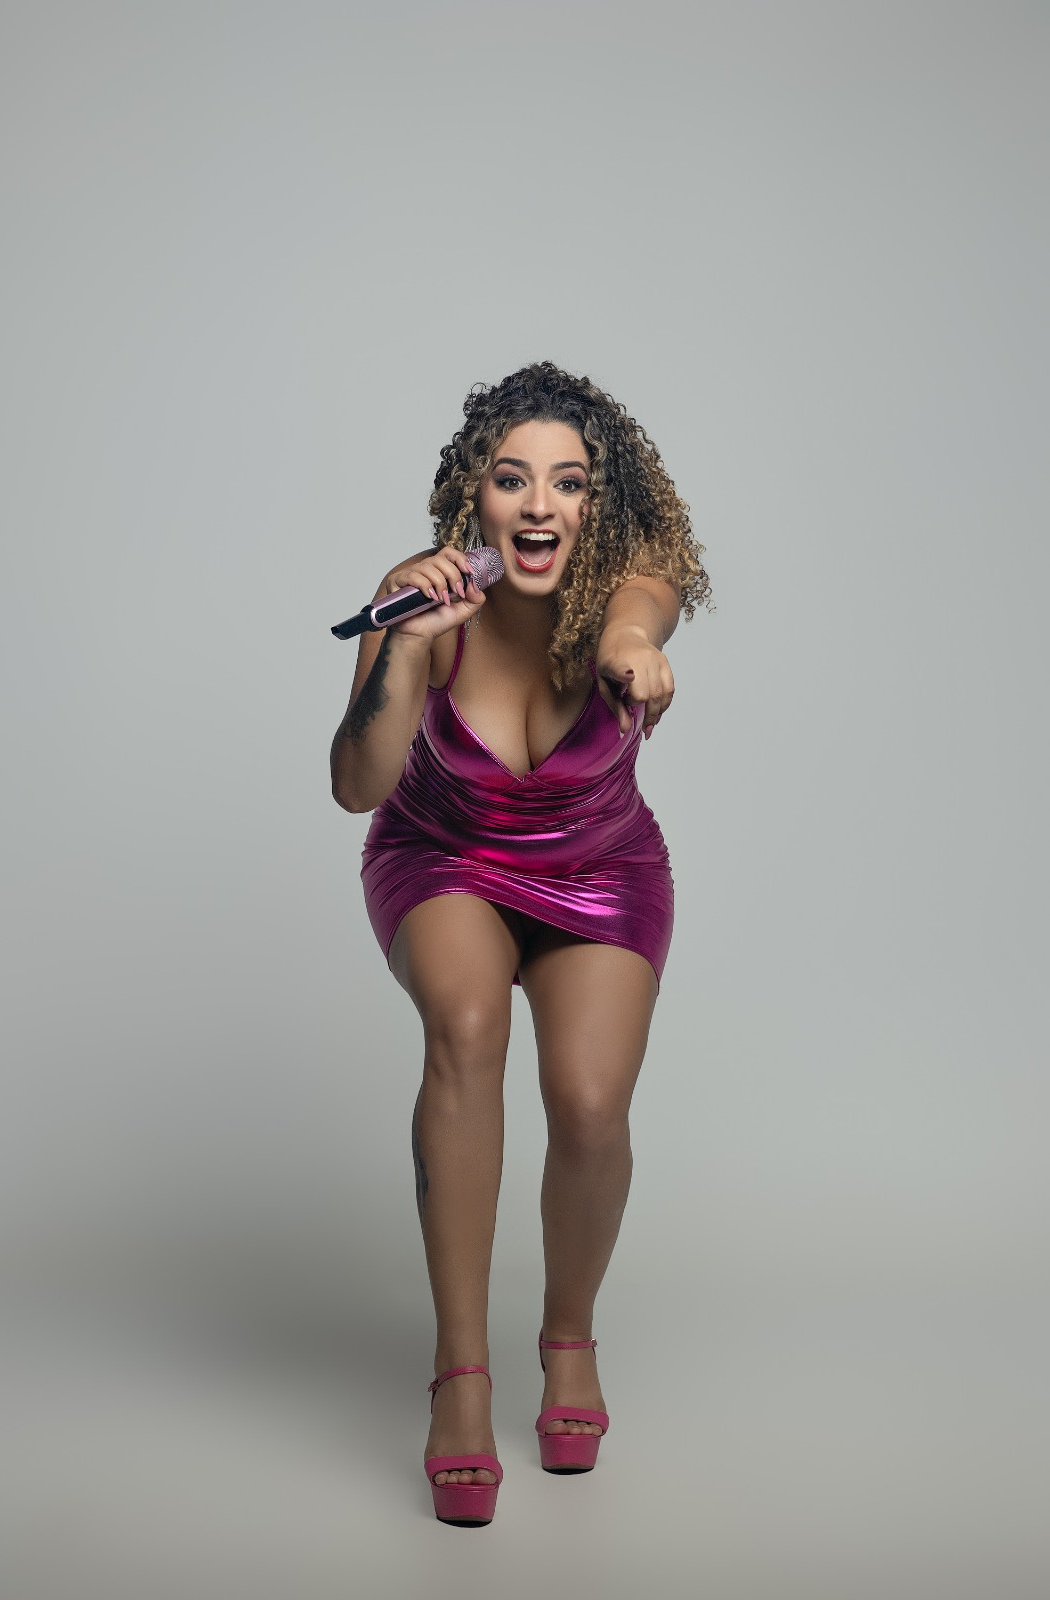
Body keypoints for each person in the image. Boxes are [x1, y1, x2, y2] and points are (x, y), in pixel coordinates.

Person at [330, 361, 711, 1525]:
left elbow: (639, 626)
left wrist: (634, 653)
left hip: (600, 868)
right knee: (465, 1025)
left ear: (600, 502)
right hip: (441, 854)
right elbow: (357, 786)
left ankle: (568, 1339)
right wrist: (406, 647)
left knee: (588, 1103)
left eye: (568, 482)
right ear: (475, 498)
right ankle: (459, 1375)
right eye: (511, 479)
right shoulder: (417, 595)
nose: (539, 504)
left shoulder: (629, 587)